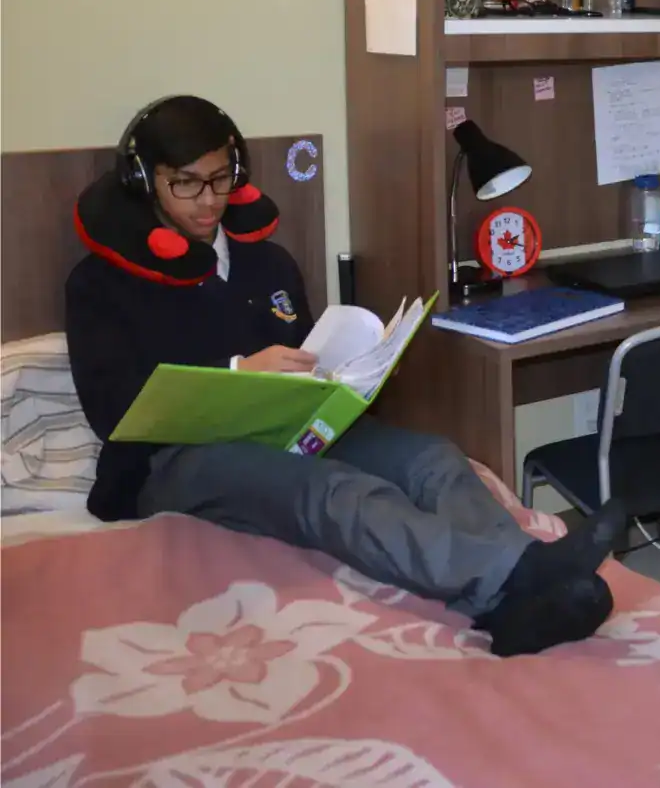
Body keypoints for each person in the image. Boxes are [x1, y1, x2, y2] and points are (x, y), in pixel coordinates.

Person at [66, 95, 625, 656]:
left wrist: (354, 373)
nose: (209, 200)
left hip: (291, 428)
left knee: (434, 459)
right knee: (337, 491)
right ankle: (520, 573)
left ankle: (512, 604)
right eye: (185, 184)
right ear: (144, 180)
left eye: (220, 179)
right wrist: (236, 370)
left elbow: (310, 357)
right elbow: (111, 410)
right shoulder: (101, 284)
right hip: (175, 458)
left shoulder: (270, 263)